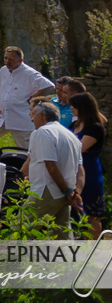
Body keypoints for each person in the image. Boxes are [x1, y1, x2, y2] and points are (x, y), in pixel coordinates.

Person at [0, 46, 56, 156]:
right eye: (6, 58)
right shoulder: (3, 70)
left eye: (11, 59)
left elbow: (48, 85)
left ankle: (25, 172)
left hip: (21, 118)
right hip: (2, 117)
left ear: (20, 60)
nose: (7, 62)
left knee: (26, 151)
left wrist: (34, 98)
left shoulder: (29, 73)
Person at [23, 99, 83, 234]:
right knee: (61, 237)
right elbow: (80, 170)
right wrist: (75, 192)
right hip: (64, 193)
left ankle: (9, 255)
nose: (31, 118)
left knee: (21, 231)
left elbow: (51, 166)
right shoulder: (71, 136)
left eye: (33, 114)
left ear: (42, 116)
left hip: (47, 190)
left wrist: (68, 192)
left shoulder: (43, 132)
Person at [71, 92, 106, 238]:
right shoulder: (75, 124)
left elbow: (80, 148)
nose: (71, 109)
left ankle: (95, 250)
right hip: (74, 171)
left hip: (89, 171)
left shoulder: (95, 128)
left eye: (74, 106)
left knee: (92, 214)